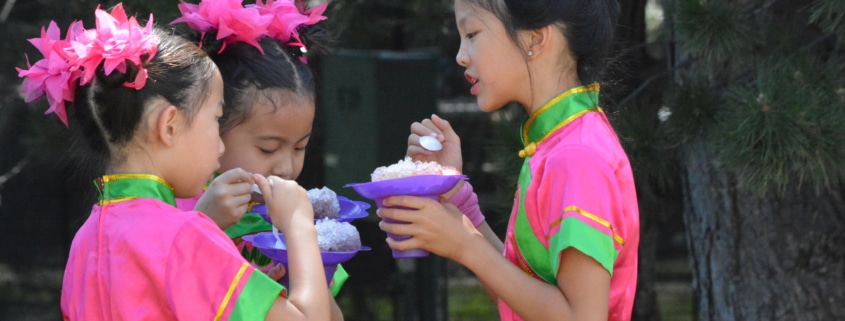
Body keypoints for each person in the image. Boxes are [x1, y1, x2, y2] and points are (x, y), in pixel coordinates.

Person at [18, 4, 332, 320]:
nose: (221, 146)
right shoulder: (187, 235)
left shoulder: (84, 241)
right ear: (168, 125)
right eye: (215, 119)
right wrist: (298, 223)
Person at [377, 0, 639, 320]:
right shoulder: (557, 145)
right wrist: (459, 204)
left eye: (472, 33)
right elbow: (520, 301)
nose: (460, 55)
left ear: (535, 39)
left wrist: (465, 245)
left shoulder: (576, 156)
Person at [170, 0, 349, 298]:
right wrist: (206, 224)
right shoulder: (176, 206)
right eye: (268, 149)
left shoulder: (293, 216)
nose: (286, 168)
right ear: (215, 129)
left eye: (300, 147)